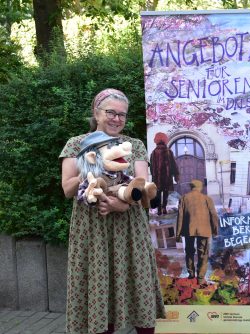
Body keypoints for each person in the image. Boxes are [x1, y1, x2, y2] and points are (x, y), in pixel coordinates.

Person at [60, 88, 165, 334]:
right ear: (96, 113)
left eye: (122, 115)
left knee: (138, 283)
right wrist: (89, 167)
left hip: (129, 226)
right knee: (98, 285)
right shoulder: (76, 144)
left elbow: (142, 184)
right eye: (111, 113)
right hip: (91, 228)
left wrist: (123, 203)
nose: (117, 119)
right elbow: (66, 188)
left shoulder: (134, 145)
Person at [176, 179, 219, 285]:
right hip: (204, 230)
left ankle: (191, 274)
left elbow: (180, 217)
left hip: (188, 230)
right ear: (200, 188)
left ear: (191, 187)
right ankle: (200, 278)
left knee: (189, 252)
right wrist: (215, 231)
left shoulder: (184, 198)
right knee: (203, 254)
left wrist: (178, 233)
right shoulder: (207, 199)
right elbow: (214, 215)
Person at [150, 132, 179, 215]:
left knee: (158, 193)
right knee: (165, 193)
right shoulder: (169, 151)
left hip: (157, 178)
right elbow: (174, 165)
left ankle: (159, 209)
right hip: (167, 177)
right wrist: (176, 175)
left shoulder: (153, 152)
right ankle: (164, 208)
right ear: (165, 140)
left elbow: (151, 167)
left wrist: (153, 176)